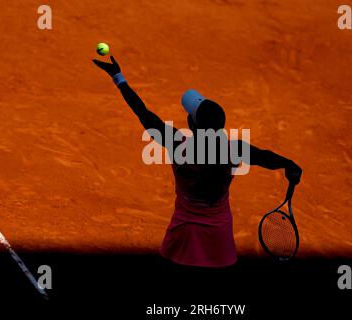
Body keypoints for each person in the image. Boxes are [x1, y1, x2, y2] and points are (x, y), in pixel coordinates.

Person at [93, 56, 302, 267]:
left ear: (191, 125)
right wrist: (289, 165)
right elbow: (267, 157)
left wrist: (118, 77)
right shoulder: (235, 150)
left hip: (183, 233)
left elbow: (143, 113)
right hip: (219, 237)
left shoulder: (176, 143)